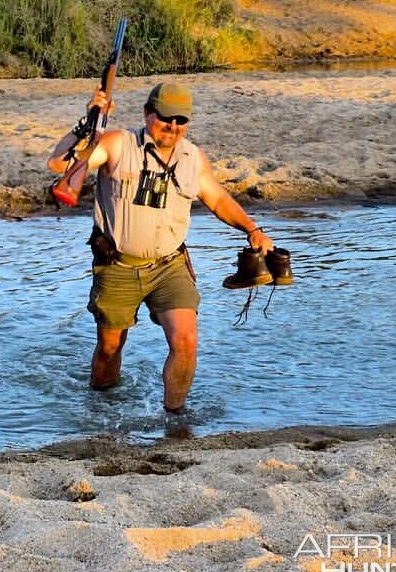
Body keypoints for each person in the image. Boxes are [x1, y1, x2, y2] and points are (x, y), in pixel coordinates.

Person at [48, 82, 275, 412]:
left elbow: (218, 199)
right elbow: (58, 165)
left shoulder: (193, 157)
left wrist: (252, 229)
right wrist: (88, 123)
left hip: (170, 266)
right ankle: (101, 409)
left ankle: (175, 419)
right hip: (118, 266)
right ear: (147, 113)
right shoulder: (116, 144)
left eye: (180, 120)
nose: (172, 127)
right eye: (165, 118)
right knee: (109, 349)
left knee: (185, 340)